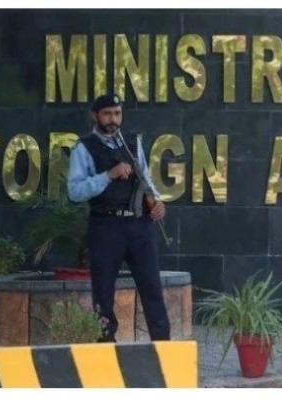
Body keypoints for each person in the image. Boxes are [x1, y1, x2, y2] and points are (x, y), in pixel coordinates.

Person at [67, 93, 170, 342]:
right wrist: (108, 175)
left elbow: (145, 178)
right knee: (103, 290)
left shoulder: (132, 143)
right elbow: (75, 192)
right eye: (107, 114)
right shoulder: (84, 148)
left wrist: (157, 202)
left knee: (152, 287)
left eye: (117, 113)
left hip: (139, 224)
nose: (113, 119)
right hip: (106, 226)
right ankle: (105, 346)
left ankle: (163, 345)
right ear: (95, 116)